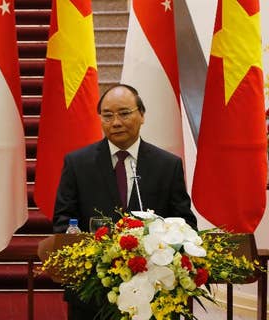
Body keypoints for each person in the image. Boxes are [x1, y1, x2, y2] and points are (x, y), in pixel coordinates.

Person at [52, 84, 197, 320]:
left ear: (142, 115)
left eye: (124, 113)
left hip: (155, 294)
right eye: (107, 115)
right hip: (94, 294)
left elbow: (184, 223)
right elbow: (63, 221)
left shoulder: (167, 165)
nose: (116, 122)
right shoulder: (78, 164)